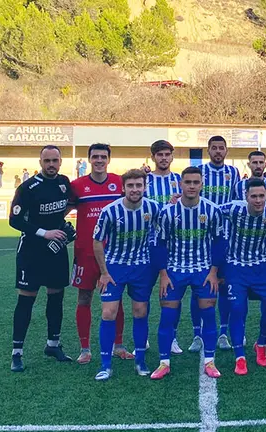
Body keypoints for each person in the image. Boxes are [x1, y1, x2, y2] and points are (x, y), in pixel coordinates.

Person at [151, 167, 225, 380]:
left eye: (196, 182)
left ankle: (209, 361)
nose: (192, 186)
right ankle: (164, 362)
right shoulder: (167, 212)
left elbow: (220, 243)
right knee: (167, 316)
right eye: (188, 182)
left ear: (202, 185)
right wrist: (163, 274)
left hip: (203, 270)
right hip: (174, 271)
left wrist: (213, 272)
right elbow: (160, 245)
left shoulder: (212, 210)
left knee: (209, 315)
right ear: (180, 184)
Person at [9, 145, 75, 372]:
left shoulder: (64, 183)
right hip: (31, 252)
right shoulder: (28, 188)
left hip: (55, 251)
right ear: (40, 162)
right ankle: (17, 353)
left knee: (56, 298)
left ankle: (53, 344)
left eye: (55, 160)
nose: (51, 165)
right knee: (27, 299)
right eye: (47, 160)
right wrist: (44, 233)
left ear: (60, 161)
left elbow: (69, 205)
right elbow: (15, 221)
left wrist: (61, 227)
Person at [92, 169, 162, 380]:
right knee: (108, 313)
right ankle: (105, 364)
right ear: (123, 188)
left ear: (144, 187)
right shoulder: (110, 211)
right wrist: (103, 273)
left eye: (138, 185)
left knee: (140, 311)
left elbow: (163, 232)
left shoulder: (153, 208)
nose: (134, 189)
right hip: (115, 267)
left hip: (142, 267)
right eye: (130, 186)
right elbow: (97, 241)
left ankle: (140, 361)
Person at [69, 144, 130, 365]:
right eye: (95, 157)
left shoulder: (118, 183)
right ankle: (85, 348)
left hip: (114, 253)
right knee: (84, 297)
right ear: (89, 160)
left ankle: (119, 345)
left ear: (109, 160)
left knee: (116, 299)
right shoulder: (77, 186)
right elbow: (63, 211)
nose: (99, 160)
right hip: (85, 252)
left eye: (103, 157)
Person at [221, 178, 266, 375]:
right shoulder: (234, 209)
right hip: (235, 266)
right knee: (237, 308)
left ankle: (260, 344)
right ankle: (239, 357)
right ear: (246, 197)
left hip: (261, 267)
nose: (258, 200)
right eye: (254, 196)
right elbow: (209, 210)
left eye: (262, 196)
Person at [231, 150, 266, 349]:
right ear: (249, 164)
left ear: (265, 164)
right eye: (255, 162)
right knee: (239, 296)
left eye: (261, 162)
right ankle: (239, 333)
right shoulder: (239, 186)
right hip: (242, 244)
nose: (258, 165)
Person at [198, 136, 240, 354]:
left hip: (225, 236)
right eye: (213, 148)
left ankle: (223, 332)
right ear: (208, 151)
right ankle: (198, 334)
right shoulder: (200, 172)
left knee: (223, 284)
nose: (217, 151)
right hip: (201, 236)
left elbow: (235, 201)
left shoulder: (233, 173)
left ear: (226, 151)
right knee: (200, 286)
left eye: (221, 148)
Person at [145, 140, 183, 355]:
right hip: (147, 244)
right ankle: (146, 336)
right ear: (153, 157)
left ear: (172, 156)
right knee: (145, 293)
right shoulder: (144, 180)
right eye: (159, 154)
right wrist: (166, 206)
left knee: (172, 294)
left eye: (167, 154)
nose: (164, 158)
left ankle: (173, 336)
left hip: (173, 246)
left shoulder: (179, 180)